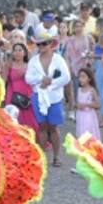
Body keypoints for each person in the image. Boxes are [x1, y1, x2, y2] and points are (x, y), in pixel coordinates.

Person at [26, 37, 71, 167]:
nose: (41, 46)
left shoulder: (58, 59)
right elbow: (28, 78)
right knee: (42, 126)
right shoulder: (33, 60)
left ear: (51, 44)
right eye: (38, 44)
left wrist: (50, 84)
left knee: (54, 127)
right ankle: (42, 157)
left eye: (44, 43)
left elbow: (66, 77)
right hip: (39, 96)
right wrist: (41, 79)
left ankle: (56, 156)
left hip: (54, 97)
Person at [3, 42, 38, 134]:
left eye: (20, 50)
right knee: (13, 119)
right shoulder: (9, 65)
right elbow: (3, 80)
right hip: (12, 93)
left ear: (24, 53)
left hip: (27, 94)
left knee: (30, 119)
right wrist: (5, 66)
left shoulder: (30, 65)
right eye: (15, 50)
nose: (17, 52)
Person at [72, 67, 101, 142]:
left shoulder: (92, 90)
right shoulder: (79, 90)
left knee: (88, 134)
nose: (81, 79)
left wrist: (86, 105)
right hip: (80, 116)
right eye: (79, 77)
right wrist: (76, 105)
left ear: (89, 79)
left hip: (89, 116)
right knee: (81, 134)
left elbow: (98, 105)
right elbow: (77, 102)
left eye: (83, 77)